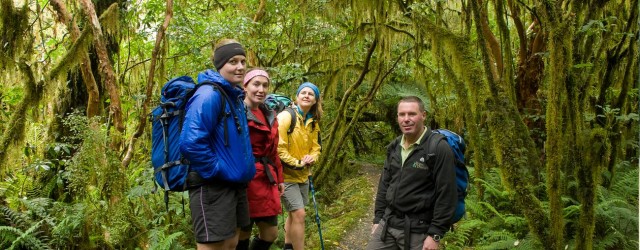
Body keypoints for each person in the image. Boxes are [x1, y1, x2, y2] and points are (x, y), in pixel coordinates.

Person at [180, 39, 255, 250]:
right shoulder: (208, 95)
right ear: (220, 64)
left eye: (242, 61)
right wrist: (217, 169)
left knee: (231, 243)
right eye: (233, 61)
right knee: (213, 246)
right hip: (212, 185)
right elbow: (191, 142)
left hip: (233, 185)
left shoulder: (234, 96)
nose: (240, 67)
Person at [366, 96, 457, 250]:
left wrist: (435, 235)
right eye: (402, 114)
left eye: (412, 114)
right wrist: (377, 219)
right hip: (388, 223)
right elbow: (384, 185)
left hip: (419, 231)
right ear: (397, 117)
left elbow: (447, 194)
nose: (406, 119)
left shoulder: (438, 148)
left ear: (423, 115)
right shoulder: (394, 147)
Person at [237, 68, 285, 250]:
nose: (261, 89)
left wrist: (280, 178)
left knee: (271, 233)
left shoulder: (269, 113)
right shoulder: (238, 112)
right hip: (246, 180)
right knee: (243, 233)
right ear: (245, 86)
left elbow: (273, 152)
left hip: (266, 179)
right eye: (256, 84)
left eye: (265, 85)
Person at [277, 82, 323, 250]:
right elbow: (278, 147)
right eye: (303, 92)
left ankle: (288, 246)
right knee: (299, 214)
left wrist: (312, 158)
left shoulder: (312, 121)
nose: (306, 95)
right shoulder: (286, 117)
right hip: (285, 176)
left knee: (294, 214)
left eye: (310, 94)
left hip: (303, 175)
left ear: (315, 100)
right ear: (296, 97)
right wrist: (298, 163)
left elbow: (316, 147)